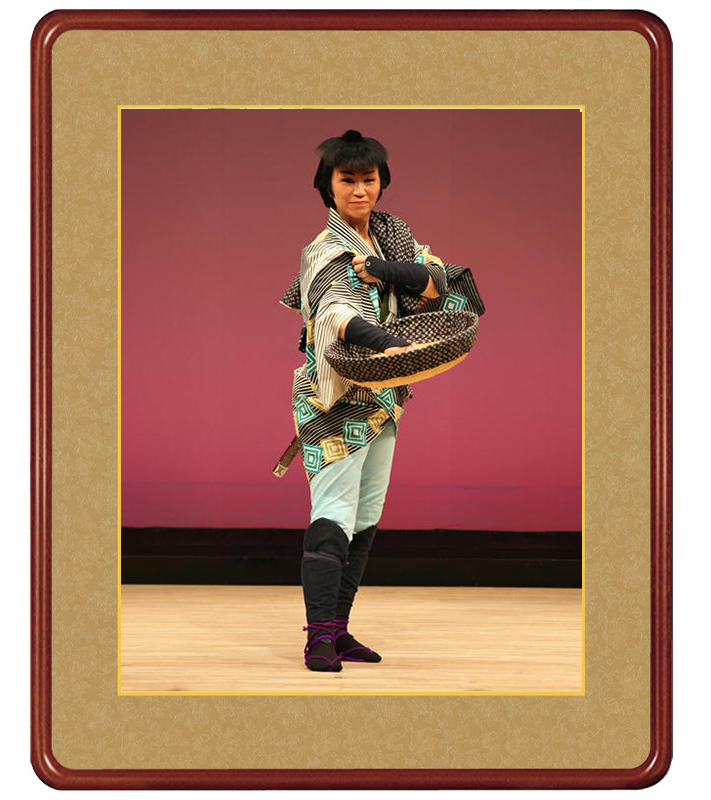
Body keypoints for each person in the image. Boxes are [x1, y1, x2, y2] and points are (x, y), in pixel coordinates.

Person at [279, 130, 485, 672]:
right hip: (335, 402)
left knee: (366, 518)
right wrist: (389, 342)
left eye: (368, 179)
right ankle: (318, 637)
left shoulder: (392, 239)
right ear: (327, 186)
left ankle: (340, 628)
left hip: (384, 400)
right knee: (334, 513)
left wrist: (387, 270)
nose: (359, 190)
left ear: (381, 183)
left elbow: (445, 283)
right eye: (347, 180)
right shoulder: (323, 250)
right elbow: (334, 315)